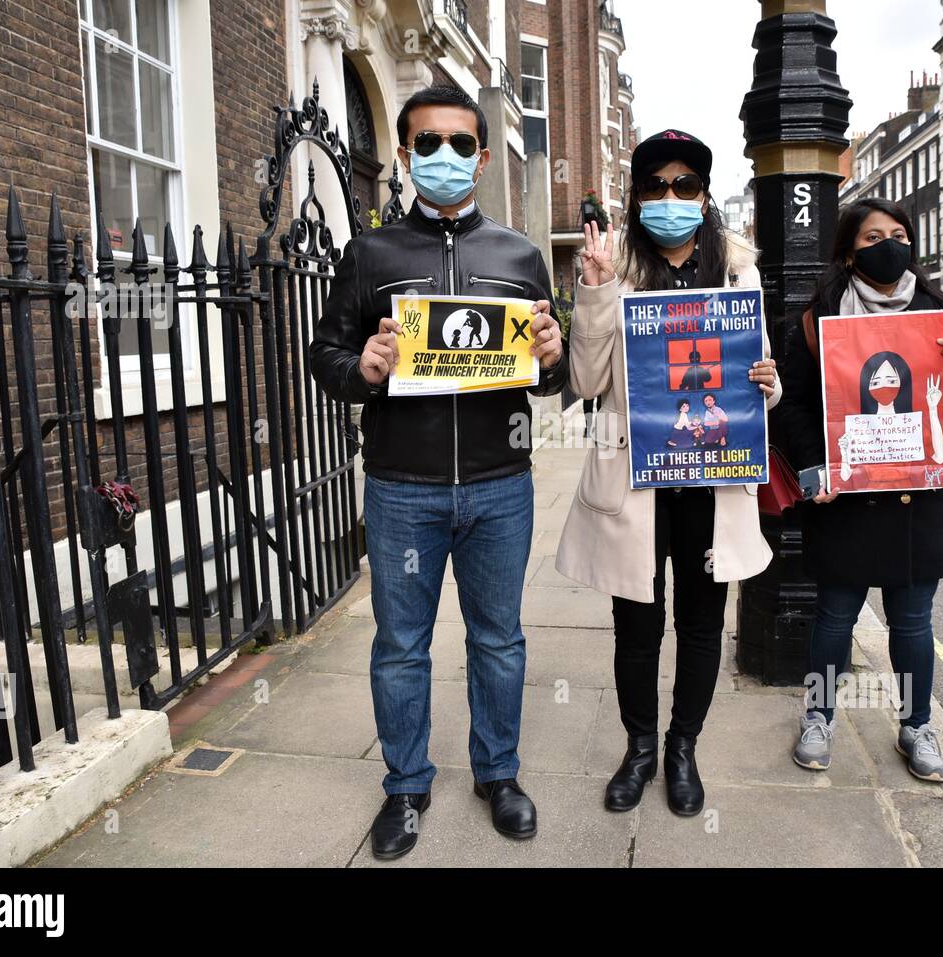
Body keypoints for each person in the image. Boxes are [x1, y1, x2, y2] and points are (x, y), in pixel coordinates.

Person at [309, 85, 568, 860]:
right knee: (400, 646)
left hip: (500, 484)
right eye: (429, 144)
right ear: (405, 153)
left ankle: (499, 771)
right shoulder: (370, 254)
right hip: (402, 488)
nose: (445, 158)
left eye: (460, 145)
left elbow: (549, 371)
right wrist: (364, 366)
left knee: (499, 641)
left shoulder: (520, 256)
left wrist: (553, 361)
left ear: (483, 157)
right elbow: (325, 355)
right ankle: (406, 784)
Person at [555, 130, 779, 815]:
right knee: (638, 626)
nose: (671, 198)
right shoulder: (613, 272)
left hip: (712, 486)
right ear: (638, 197)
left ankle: (683, 748)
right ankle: (641, 747)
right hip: (638, 483)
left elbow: (759, 374)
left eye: (685, 186)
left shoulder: (739, 272)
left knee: (704, 625)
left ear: (705, 197)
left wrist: (767, 382)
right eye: (655, 186)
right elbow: (585, 380)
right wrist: (592, 295)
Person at [776, 197, 943, 782]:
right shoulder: (817, 316)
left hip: (915, 499)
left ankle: (917, 724)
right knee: (834, 617)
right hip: (845, 497)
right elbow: (794, 404)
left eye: (898, 235)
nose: (888, 245)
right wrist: (812, 464)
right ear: (849, 250)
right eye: (873, 237)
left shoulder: (937, 310)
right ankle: (818, 716)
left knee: (914, 622)